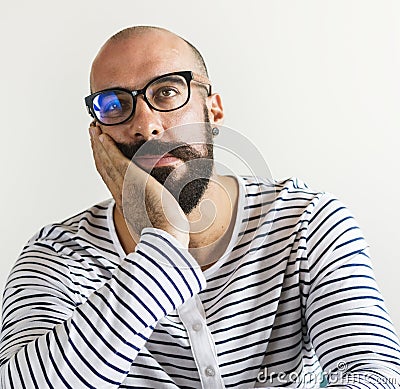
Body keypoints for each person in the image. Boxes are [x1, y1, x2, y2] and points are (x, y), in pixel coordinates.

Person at [0, 26, 399, 389]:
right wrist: (164, 240)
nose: (147, 125)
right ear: (98, 131)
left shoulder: (306, 221)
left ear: (214, 111)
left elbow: (377, 376)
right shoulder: (56, 256)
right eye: (115, 103)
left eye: (167, 92)